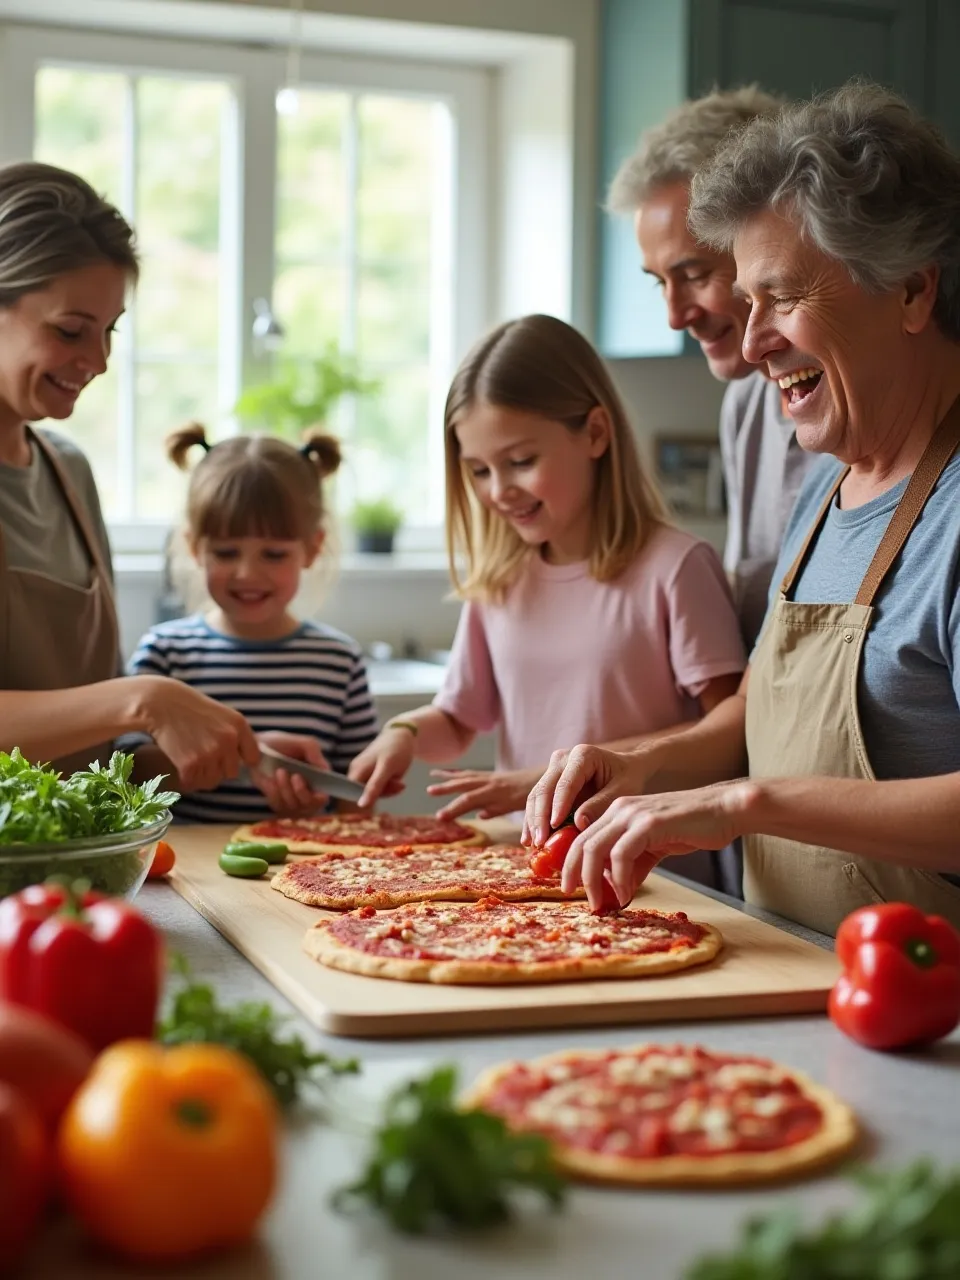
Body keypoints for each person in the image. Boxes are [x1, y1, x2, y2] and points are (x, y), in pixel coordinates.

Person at [523, 84, 960, 936]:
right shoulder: (830, 487)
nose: (754, 339)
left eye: (784, 296)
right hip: (794, 986)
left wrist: (744, 802)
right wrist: (636, 764)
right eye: (747, 299)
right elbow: (759, 708)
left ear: (912, 291)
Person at [349, 314, 746, 886]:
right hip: (534, 869)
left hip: (656, 875)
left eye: (520, 462)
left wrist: (540, 777)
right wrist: (405, 734)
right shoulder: (502, 581)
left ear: (595, 434)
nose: (498, 491)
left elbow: (727, 741)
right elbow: (460, 719)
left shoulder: (676, 568)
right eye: (479, 470)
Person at [0, 160, 262, 791]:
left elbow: (84, 760)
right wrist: (145, 699)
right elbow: (119, 708)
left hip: (58, 873)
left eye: (110, 331)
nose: (99, 360)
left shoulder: (68, 473)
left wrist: (234, 754)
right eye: (70, 330)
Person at [607, 88, 821, 649]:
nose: (675, 316)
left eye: (694, 272)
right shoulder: (746, 404)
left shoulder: (858, 400)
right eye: (659, 283)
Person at [127, 424, 378, 822]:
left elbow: (357, 801)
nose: (247, 573)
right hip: (186, 874)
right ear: (195, 548)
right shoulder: (165, 653)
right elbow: (130, 775)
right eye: (226, 552)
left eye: (273, 554)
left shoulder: (338, 661)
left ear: (311, 549)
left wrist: (312, 815)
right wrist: (249, 757)